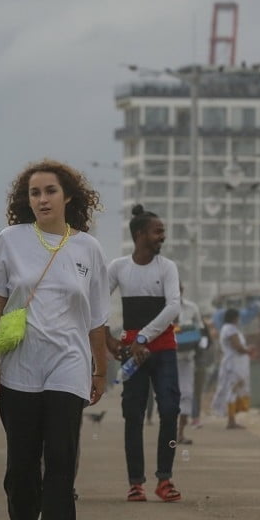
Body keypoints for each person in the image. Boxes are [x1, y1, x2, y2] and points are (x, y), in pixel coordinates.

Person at [0, 159, 109, 520]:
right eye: (35, 193)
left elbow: (96, 318)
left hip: (68, 366)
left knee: (60, 457)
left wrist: (99, 370)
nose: (42, 199)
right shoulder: (10, 240)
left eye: (50, 191)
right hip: (20, 365)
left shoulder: (88, 248)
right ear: (27, 199)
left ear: (68, 195)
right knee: (21, 463)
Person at [105, 205, 183, 504]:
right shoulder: (119, 267)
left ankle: (165, 478)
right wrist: (109, 339)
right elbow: (98, 300)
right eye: (157, 231)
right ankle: (135, 483)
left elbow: (173, 306)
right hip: (131, 354)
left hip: (162, 350)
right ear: (139, 235)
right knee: (133, 415)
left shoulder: (167, 267)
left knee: (170, 410)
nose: (162, 236)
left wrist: (141, 337)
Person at [211, 308, 251, 429]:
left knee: (233, 390)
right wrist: (249, 350)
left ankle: (232, 419)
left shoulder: (226, 328)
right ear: (235, 317)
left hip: (235, 364)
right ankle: (231, 420)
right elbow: (237, 346)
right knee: (231, 390)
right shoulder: (230, 329)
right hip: (233, 365)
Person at [175, 283, 203, 445]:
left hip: (186, 358)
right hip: (166, 358)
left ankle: (180, 433)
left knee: (186, 394)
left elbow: (200, 329)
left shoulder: (192, 308)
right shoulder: (161, 308)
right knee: (167, 397)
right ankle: (169, 433)